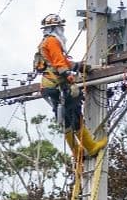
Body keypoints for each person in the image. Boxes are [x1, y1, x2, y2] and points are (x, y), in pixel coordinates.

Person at [33, 14, 101, 158]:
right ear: (56, 28)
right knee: (74, 114)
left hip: (48, 86)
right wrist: (69, 77)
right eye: (60, 27)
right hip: (57, 85)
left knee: (65, 119)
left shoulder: (43, 43)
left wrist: (80, 66)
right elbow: (60, 64)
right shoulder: (52, 41)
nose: (61, 30)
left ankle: (76, 152)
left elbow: (62, 61)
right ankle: (91, 146)